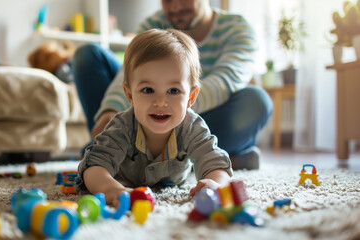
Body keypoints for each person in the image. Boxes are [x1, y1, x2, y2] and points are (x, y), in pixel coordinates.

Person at [73, 0, 273, 170]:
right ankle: (109, 146)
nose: (176, 7)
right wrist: (111, 111)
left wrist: (173, 107)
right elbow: (130, 74)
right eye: (167, 0)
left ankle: (193, 156)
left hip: (201, 121)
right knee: (87, 56)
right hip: (139, 122)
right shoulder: (152, 24)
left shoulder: (237, 28)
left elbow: (223, 83)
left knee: (256, 101)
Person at [75, 29, 232, 207]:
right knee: (93, 152)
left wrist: (215, 183)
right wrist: (111, 190)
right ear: (129, 95)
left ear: (191, 97)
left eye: (173, 91)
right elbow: (93, 167)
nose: (160, 102)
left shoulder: (192, 126)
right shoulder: (122, 126)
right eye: (148, 90)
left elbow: (215, 163)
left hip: (173, 179)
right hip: (125, 181)